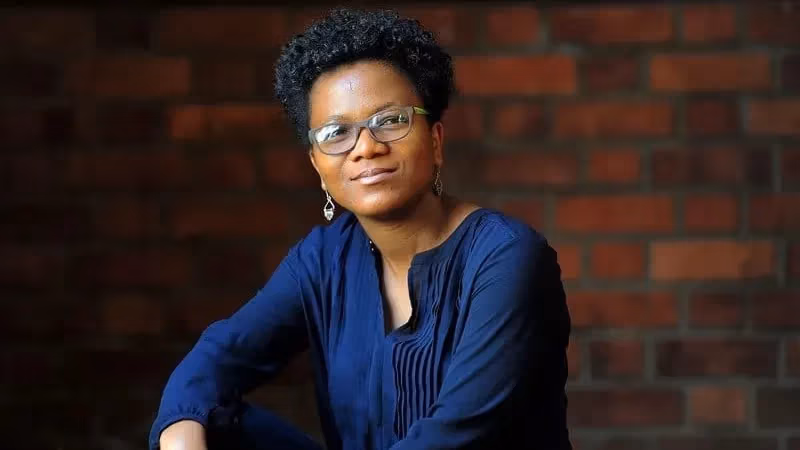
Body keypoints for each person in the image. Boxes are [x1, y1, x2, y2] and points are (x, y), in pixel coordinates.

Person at [150, 8, 571, 450]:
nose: (365, 148)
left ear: (435, 139)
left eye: (390, 121)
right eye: (336, 132)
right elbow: (216, 358)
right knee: (207, 417)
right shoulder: (324, 258)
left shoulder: (506, 256)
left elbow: (456, 435)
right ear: (317, 164)